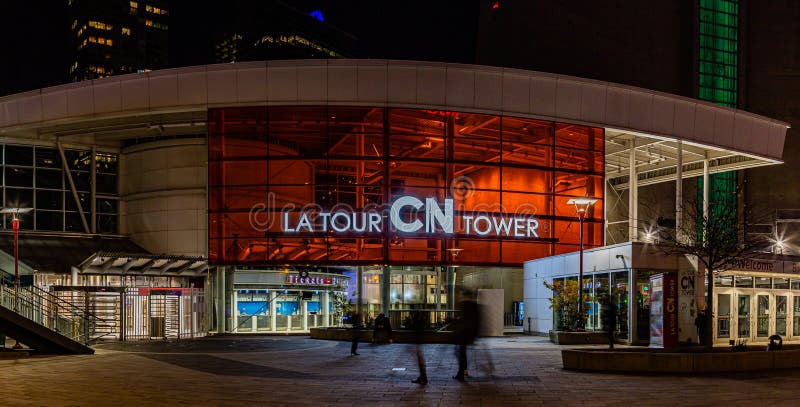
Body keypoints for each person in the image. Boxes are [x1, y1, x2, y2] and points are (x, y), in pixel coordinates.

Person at [453, 290, 479, 382]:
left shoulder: (463, 305)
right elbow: (477, 320)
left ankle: (461, 373)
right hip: (470, 333)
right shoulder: (474, 305)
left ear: (464, 295)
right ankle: (463, 372)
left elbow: (461, 319)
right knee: (461, 353)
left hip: (463, 333)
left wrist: (452, 321)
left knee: (460, 353)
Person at [410, 311, 428, 385]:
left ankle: (423, 378)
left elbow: (415, 332)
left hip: (418, 343)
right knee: (420, 361)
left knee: (420, 361)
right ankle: (423, 377)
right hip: (418, 343)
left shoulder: (416, 323)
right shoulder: (421, 323)